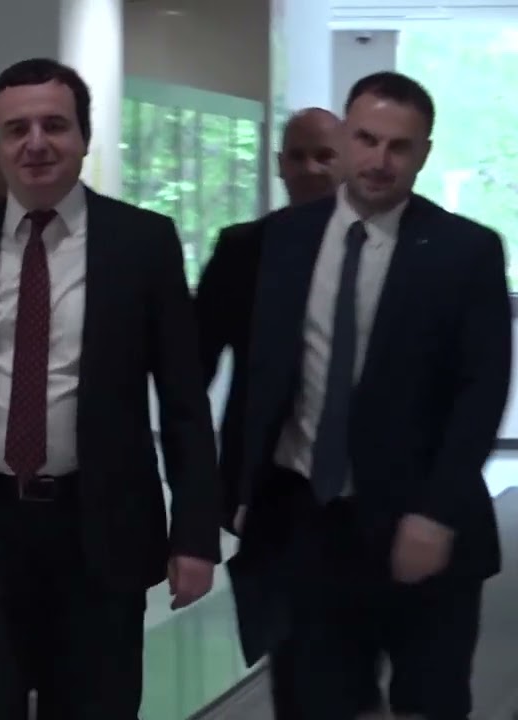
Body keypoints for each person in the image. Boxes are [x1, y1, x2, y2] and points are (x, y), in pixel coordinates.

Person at [0, 57, 221, 719]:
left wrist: (194, 535)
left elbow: (184, 402)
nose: (35, 143)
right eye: (16, 130)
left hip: (99, 528)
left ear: (84, 137)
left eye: (54, 125)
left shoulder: (143, 243)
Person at [236, 70, 509, 720]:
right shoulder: (284, 240)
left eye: (399, 146)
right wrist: (237, 489)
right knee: (315, 700)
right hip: (308, 524)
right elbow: (257, 373)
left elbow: (481, 390)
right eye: (366, 139)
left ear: (423, 154)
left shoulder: (465, 250)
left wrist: (435, 513)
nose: (380, 160)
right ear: (345, 136)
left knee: (428, 702)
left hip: (423, 527)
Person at [195, 107, 376, 717]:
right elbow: (194, 367)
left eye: (325, 155)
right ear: (278, 166)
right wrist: (206, 490)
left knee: (360, 661)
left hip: (369, 489)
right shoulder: (244, 250)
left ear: (348, 161)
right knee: (294, 661)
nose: (311, 169)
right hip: (280, 490)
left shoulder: (386, 247)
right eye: (297, 157)